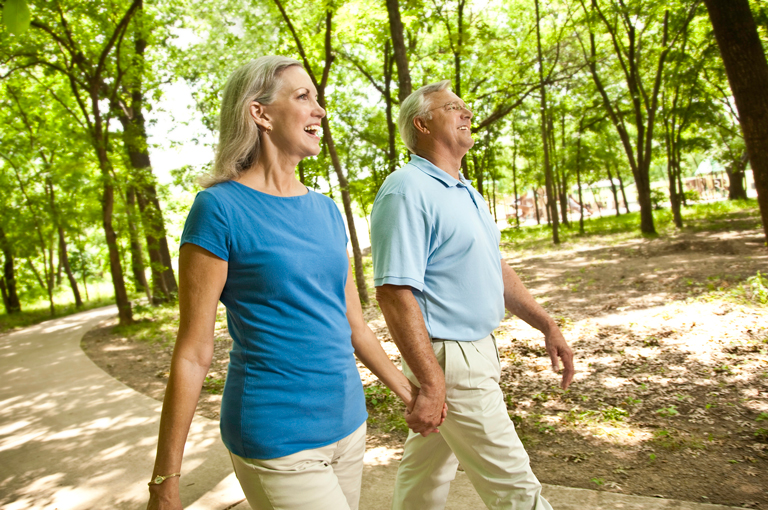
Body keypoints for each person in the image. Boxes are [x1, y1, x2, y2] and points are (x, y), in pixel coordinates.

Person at [146, 56, 420, 510]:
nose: (320, 110)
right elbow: (194, 351)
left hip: (349, 426)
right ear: (260, 113)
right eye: (303, 96)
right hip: (276, 436)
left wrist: (411, 392)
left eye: (316, 98)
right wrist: (165, 479)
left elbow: (354, 325)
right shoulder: (218, 209)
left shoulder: (327, 210)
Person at [370, 80, 575, 510]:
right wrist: (431, 380)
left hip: (478, 350)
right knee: (514, 486)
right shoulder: (406, 189)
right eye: (453, 108)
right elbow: (393, 291)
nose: (467, 113)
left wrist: (546, 323)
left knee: (424, 475)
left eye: (465, 107)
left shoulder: (466, 191)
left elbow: (494, 268)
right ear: (422, 124)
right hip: (451, 359)